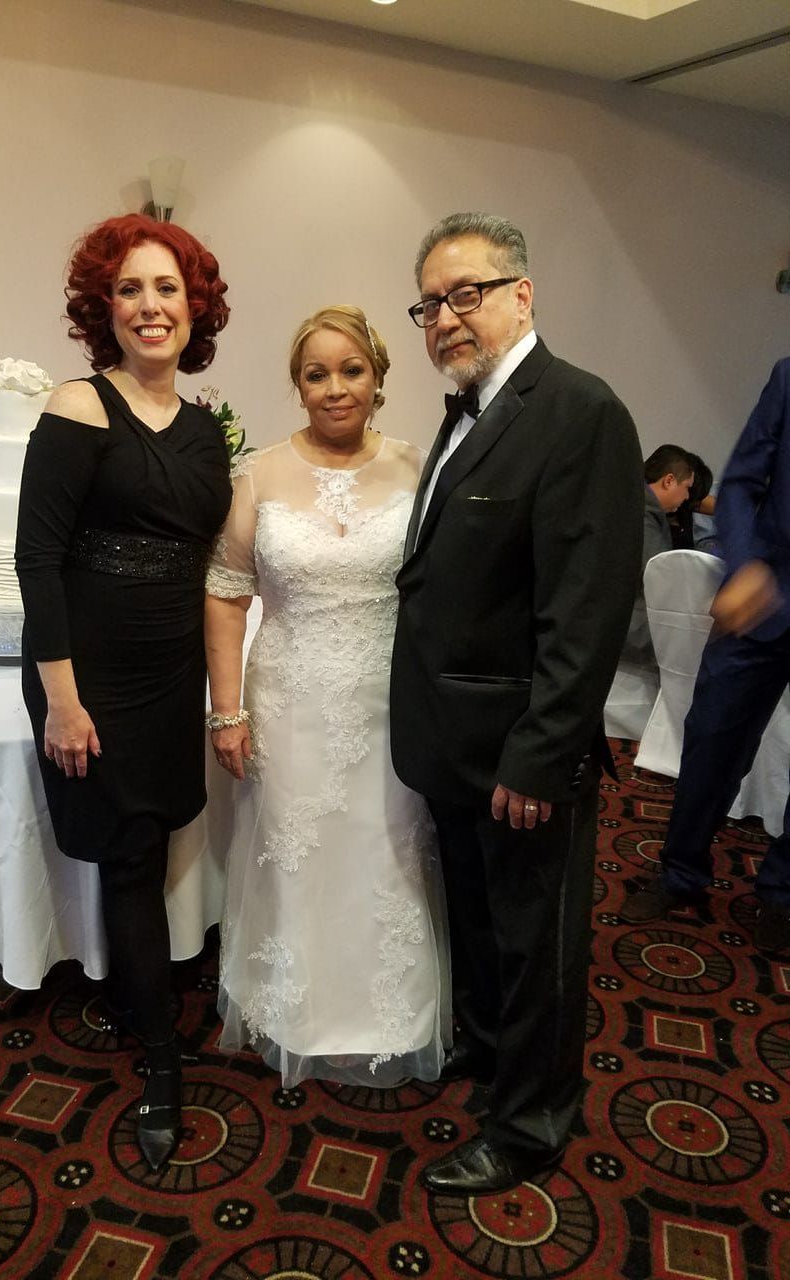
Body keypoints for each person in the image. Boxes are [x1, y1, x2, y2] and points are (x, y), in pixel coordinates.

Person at [390, 212, 642, 1194]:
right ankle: (493, 1057)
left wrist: (542, 754)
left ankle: (533, 1120)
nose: (447, 317)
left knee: (539, 941)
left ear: (522, 294)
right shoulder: (468, 411)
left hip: (523, 752)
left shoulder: (580, 410)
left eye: (468, 293)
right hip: (456, 739)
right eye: (430, 303)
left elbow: (587, 609)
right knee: (487, 924)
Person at [15, 213, 232, 1169]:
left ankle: (131, 997)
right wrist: (61, 698)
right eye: (132, 290)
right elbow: (39, 559)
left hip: (172, 670)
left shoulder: (203, 427)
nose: (152, 306)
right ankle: (159, 1054)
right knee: (132, 851)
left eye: (168, 290)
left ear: (196, 308)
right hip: (90, 679)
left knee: (154, 839)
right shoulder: (77, 405)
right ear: (105, 308)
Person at [204, 305, 449, 1087]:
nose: (335, 388)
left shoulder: (420, 465)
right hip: (289, 703)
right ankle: (293, 1008)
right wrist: (228, 707)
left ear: (378, 378)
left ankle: (390, 1012)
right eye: (317, 374)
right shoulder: (261, 473)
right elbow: (226, 592)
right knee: (296, 856)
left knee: (387, 850)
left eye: (351, 371)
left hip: (389, 705)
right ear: (297, 385)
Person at [621, 359, 790, 953]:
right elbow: (743, 484)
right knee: (712, 737)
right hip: (761, 596)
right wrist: (746, 566)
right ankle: (681, 871)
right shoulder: (788, 377)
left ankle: (782, 891)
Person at [623, 444, 695, 666]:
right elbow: (657, 577)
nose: (687, 496)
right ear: (669, 480)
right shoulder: (643, 515)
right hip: (629, 626)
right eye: (687, 487)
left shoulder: (634, 503)